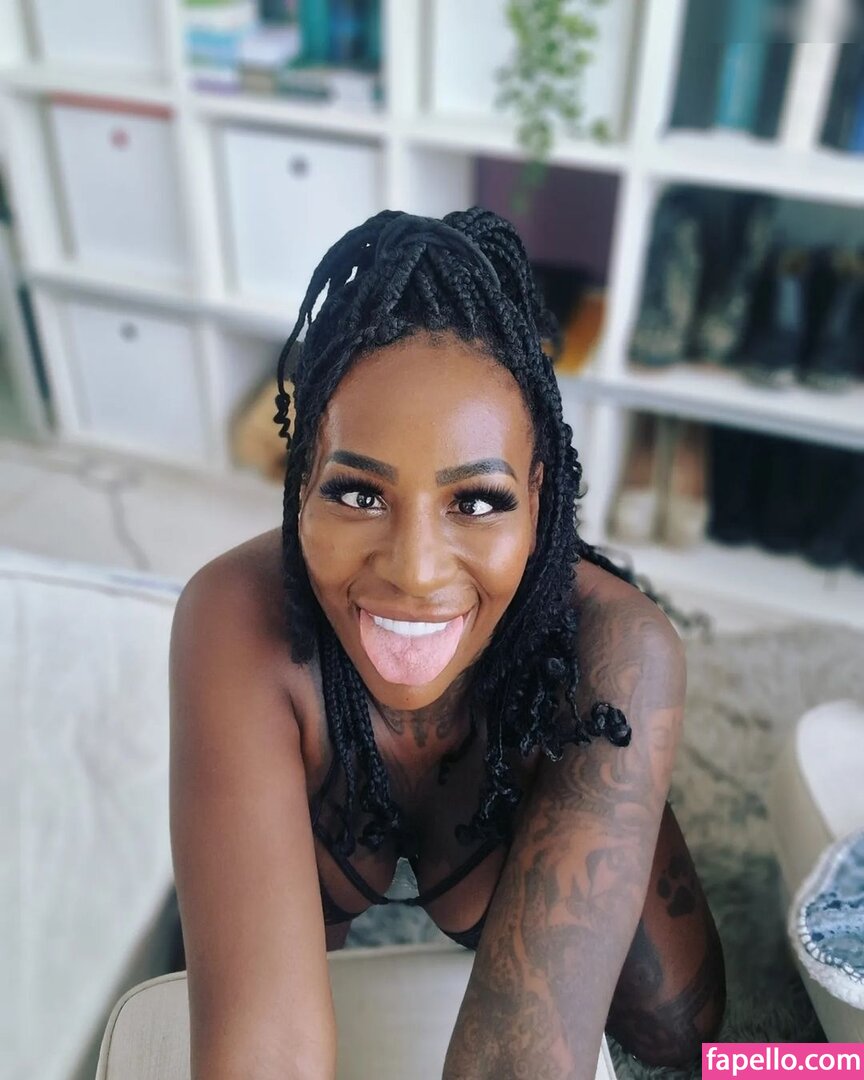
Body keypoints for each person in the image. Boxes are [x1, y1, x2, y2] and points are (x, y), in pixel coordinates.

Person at [169, 208, 726, 1080]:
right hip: (324, 790)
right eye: (359, 494)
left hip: (541, 771)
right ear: (302, 481)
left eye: (476, 501)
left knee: (684, 1032)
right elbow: (262, 1056)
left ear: (539, 495)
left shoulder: (619, 650)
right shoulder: (233, 617)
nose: (415, 572)